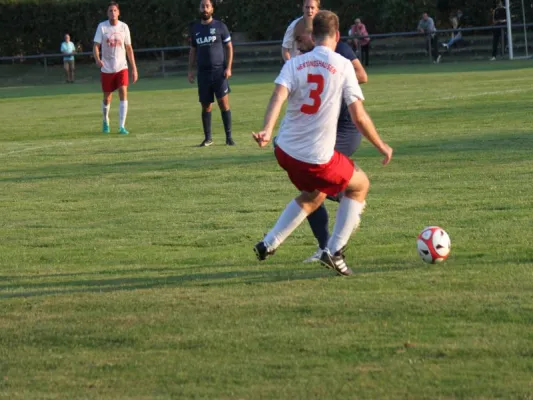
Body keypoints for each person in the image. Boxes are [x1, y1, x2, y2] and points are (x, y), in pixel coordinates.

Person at [252, 10, 393, 276]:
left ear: (313, 35)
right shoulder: (342, 65)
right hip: (314, 157)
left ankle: (269, 242)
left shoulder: (294, 63)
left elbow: (277, 96)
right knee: (360, 185)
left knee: (313, 196)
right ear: (337, 35)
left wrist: (267, 130)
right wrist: (381, 145)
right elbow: (359, 116)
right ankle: (334, 250)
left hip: (284, 151)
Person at [292, 16, 368, 263]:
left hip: (345, 129)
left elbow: (362, 75)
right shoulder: (306, 62)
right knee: (311, 187)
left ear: (312, 33)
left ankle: (330, 246)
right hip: (326, 131)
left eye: (299, 38)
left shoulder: (339, 50)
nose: (297, 43)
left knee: (314, 187)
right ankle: (327, 244)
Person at [188, 0, 235, 147]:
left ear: (212, 9)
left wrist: (228, 67)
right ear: (199, 8)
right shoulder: (195, 28)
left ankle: (229, 137)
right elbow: (193, 50)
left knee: (223, 103)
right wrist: (190, 69)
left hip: (219, 72)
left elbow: (229, 47)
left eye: (207, 6)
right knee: (206, 105)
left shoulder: (220, 26)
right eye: (202, 6)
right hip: (203, 73)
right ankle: (208, 138)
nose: (205, 9)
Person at [93, 1, 138, 135]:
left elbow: (129, 48)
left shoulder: (124, 27)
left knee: (123, 92)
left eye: (114, 10)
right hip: (107, 68)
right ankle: (105, 120)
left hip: (121, 67)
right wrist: (97, 59)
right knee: (107, 98)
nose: (112, 13)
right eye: (110, 11)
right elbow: (96, 46)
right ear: (107, 13)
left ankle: (121, 126)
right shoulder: (102, 27)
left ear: (118, 12)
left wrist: (134, 68)